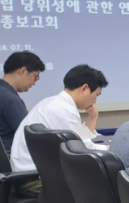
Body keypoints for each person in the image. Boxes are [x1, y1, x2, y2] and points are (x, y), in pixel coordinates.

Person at [11, 65, 106, 196]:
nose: (95, 100)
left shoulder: (52, 103)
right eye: (96, 95)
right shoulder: (64, 111)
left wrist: (93, 116)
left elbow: (82, 140)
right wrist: (110, 147)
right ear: (84, 88)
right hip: (34, 181)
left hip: (26, 176)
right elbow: (84, 150)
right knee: (103, 187)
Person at [0, 51, 45, 153]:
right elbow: (29, 135)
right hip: (10, 157)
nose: (34, 83)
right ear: (23, 71)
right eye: (35, 77)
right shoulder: (10, 99)